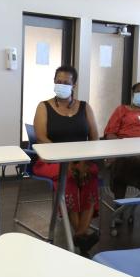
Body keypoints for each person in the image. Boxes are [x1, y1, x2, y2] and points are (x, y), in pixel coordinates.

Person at [32, 65, 100, 253]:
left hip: (82, 159)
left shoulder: (85, 107)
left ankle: (79, 234)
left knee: (90, 174)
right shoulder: (44, 106)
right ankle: (81, 235)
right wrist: (67, 162)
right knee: (68, 177)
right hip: (51, 160)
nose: (61, 85)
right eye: (58, 81)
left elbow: (95, 137)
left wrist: (85, 162)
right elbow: (41, 138)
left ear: (74, 85)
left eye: (66, 82)